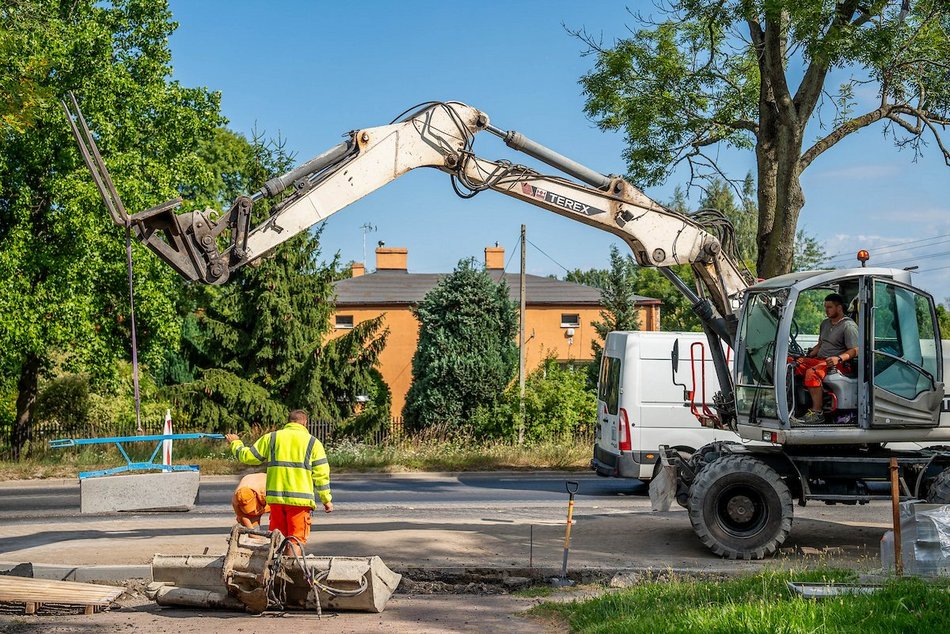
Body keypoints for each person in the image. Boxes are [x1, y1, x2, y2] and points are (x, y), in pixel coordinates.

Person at [225, 410, 333, 549]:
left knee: (278, 539)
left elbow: (248, 457)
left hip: (276, 501)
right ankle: (289, 569)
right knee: (295, 541)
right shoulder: (313, 442)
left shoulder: (272, 438)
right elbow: (321, 474)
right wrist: (326, 500)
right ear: (305, 423)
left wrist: (236, 443)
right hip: (299, 502)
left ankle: (275, 569)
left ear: (288, 422)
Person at [792, 293, 859, 424]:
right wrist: (809, 354)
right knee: (791, 363)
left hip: (837, 364)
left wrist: (838, 358)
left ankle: (817, 413)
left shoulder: (848, 326)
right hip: (820, 359)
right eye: (825, 307)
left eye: (829, 307)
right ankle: (795, 406)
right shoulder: (825, 324)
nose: (826, 310)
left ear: (839, 308)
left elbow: (856, 350)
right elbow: (821, 344)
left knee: (812, 373)